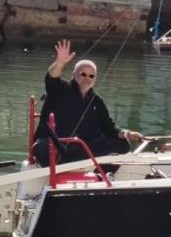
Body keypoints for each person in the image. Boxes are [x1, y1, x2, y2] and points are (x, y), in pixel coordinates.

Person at [33, 39, 143, 167]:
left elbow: (109, 127)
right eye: (83, 74)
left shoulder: (97, 101)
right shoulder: (61, 89)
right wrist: (60, 63)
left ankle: (100, 173)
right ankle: (59, 169)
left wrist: (127, 133)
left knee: (123, 143)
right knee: (40, 147)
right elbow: (51, 77)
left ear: (95, 79)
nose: (87, 78)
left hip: (82, 149)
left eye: (91, 76)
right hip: (56, 147)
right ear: (74, 74)